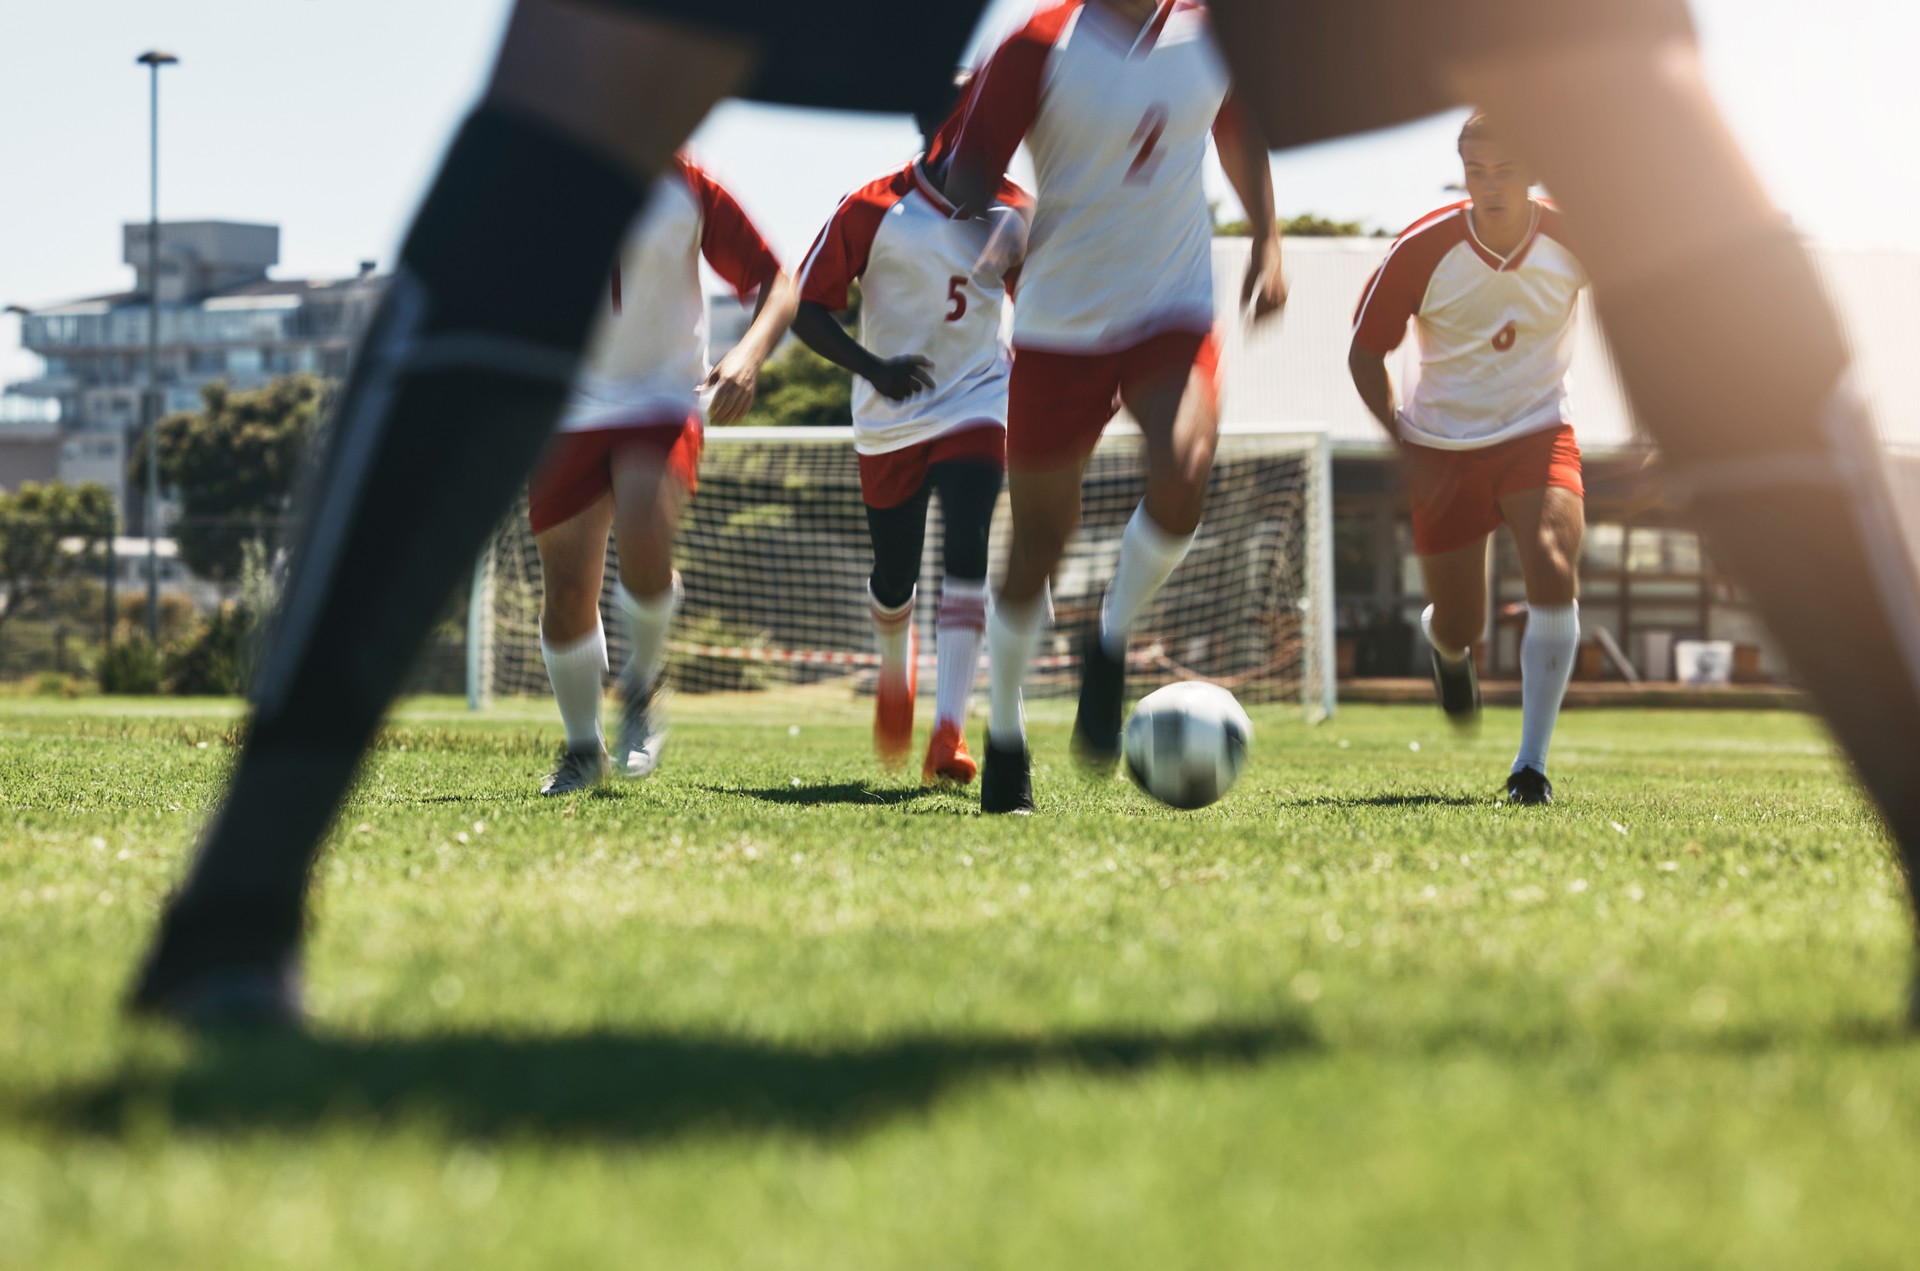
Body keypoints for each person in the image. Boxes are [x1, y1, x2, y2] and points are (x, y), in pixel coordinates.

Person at [131, 0, 1920, 1027]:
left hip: (1068, 353)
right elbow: (938, 205)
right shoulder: (1011, 89)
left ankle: (233, 910)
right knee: (1610, 75)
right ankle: (246, 893)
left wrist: (1248, 246)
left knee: (598, 61)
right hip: (1005, 366)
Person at [944, 0, 1287, 815]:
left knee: (1183, 469)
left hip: (1170, 307)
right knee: (1037, 545)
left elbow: (1237, 130)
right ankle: (1005, 739)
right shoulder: (1036, 43)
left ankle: (1109, 637)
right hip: (1061, 321)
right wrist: (1000, 226)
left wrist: (1268, 238)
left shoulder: (1214, 33)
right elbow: (964, 173)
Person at [533, 153, 793, 794]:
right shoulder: (533, 177)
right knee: (567, 597)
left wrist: (747, 356)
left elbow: (777, 282)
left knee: (646, 534)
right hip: (564, 407)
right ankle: (580, 751)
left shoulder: (689, 185)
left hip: (663, 398)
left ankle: (641, 688)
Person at [1349, 113, 1587, 805]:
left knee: (1551, 556)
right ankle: (1445, 649)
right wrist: (1402, 445)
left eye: (1505, 170)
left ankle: (1531, 768)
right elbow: (1366, 355)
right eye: (1475, 172)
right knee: (1460, 625)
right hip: (1442, 449)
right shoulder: (1422, 249)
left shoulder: (1578, 238)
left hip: (1537, 430)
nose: (1489, 187)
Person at [791, 109, 1031, 783]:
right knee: (896, 575)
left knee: (968, 548)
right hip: (890, 415)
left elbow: (1045, 298)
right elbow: (805, 306)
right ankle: (894, 667)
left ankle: (948, 733)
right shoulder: (873, 208)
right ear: (935, 130)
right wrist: (874, 369)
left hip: (978, 397)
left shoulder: (1016, 211)